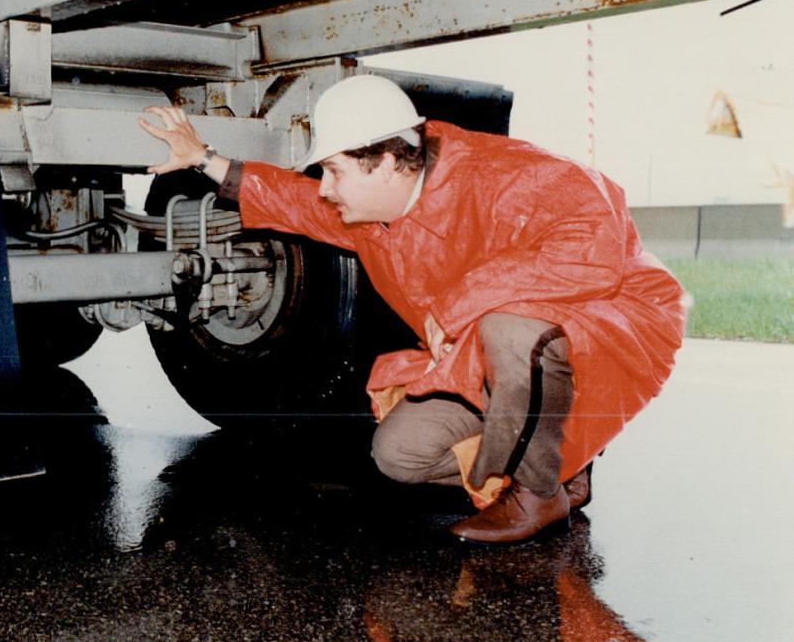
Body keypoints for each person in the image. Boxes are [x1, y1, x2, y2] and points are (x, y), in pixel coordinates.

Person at [138, 74, 684, 544]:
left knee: (510, 329)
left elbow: (597, 237)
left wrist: (460, 305)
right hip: (487, 358)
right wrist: (203, 159)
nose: (325, 189)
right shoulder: (377, 209)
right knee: (398, 455)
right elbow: (294, 202)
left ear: (386, 161)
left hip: (611, 329)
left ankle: (537, 494)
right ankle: (562, 459)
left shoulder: (497, 175)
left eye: (334, 172)